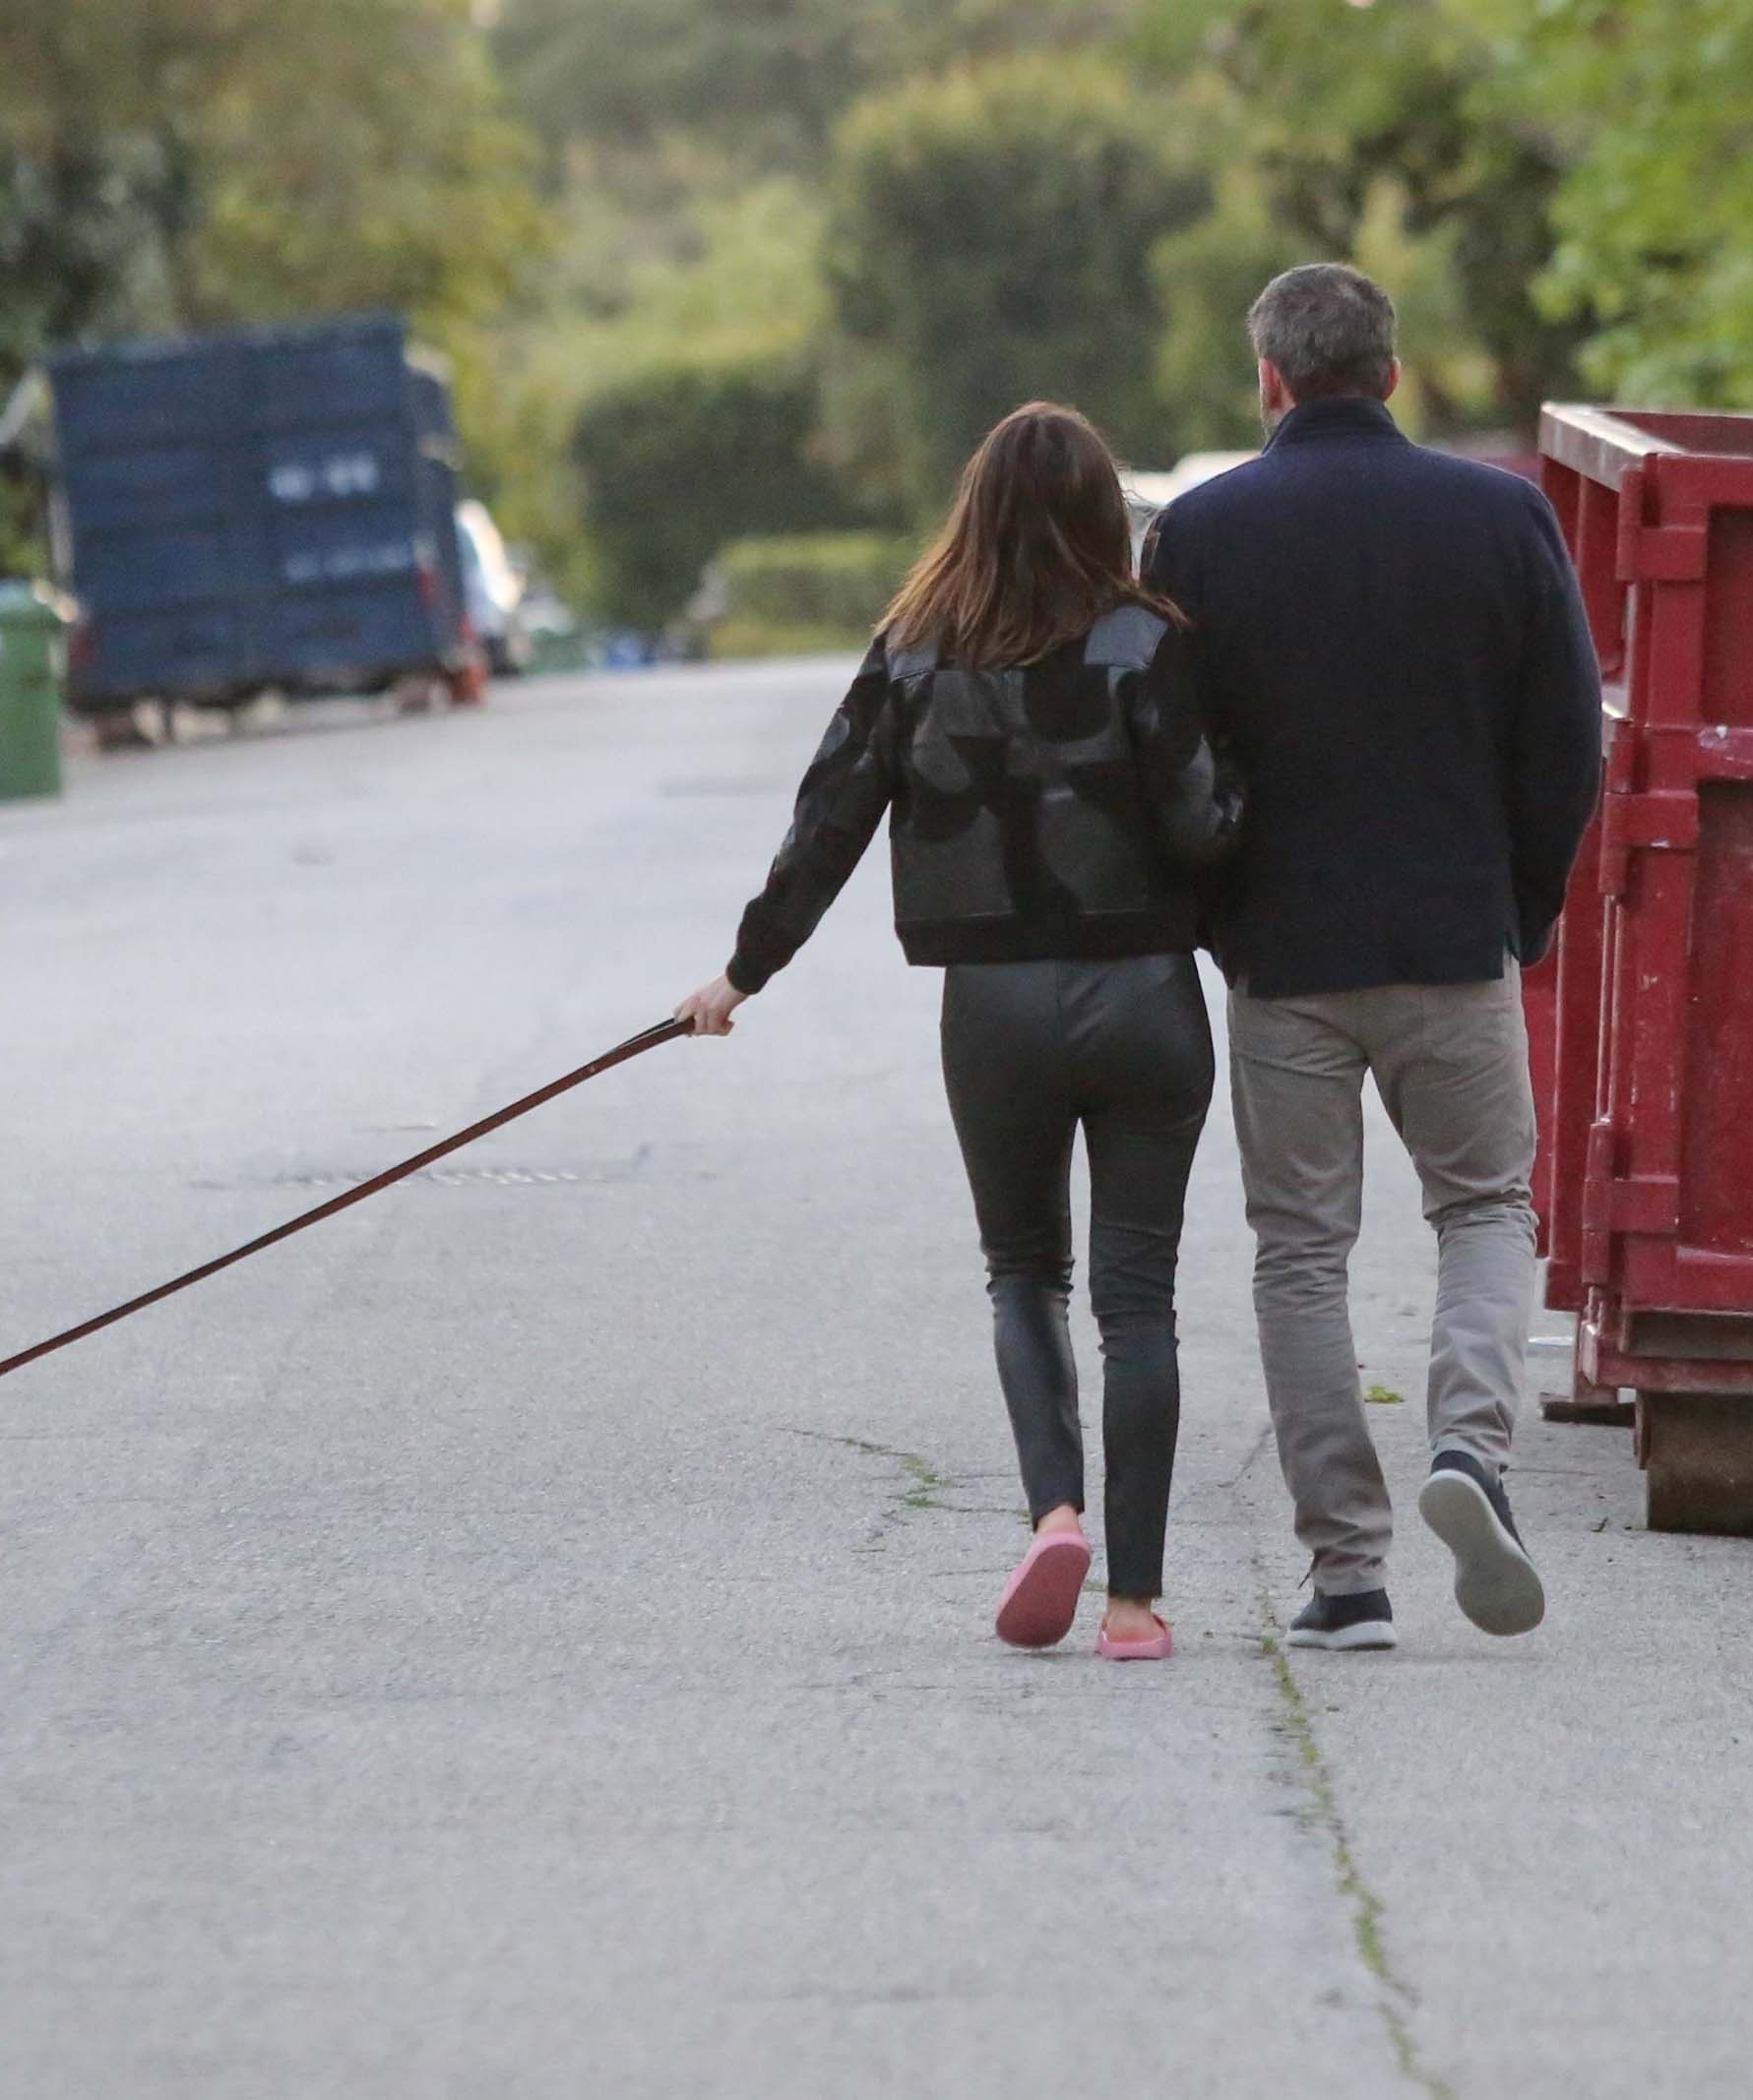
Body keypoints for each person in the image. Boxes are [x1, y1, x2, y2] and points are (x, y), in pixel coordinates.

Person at [675, 402, 1243, 1661]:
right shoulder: (1146, 643)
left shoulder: (914, 649)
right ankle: (1137, 1607)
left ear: (971, 508)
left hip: (991, 1007)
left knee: (1022, 1271)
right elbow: (1207, 827)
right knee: (1136, 1297)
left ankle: (1053, 1512)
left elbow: (828, 817)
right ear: (1108, 515)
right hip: (1144, 994)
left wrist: (741, 973)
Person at [1143, 264, 1601, 1653]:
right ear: (1393, 376)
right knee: (1483, 1211)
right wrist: (1516, 906)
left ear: (1270, 381)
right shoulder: (1501, 516)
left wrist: (1214, 913)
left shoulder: (1201, 536)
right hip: (1453, 939)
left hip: (1284, 956)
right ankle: (1472, 1450)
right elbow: (1566, 741)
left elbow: (1166, 758)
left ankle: (1347, 1565)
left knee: (1301, 1253)